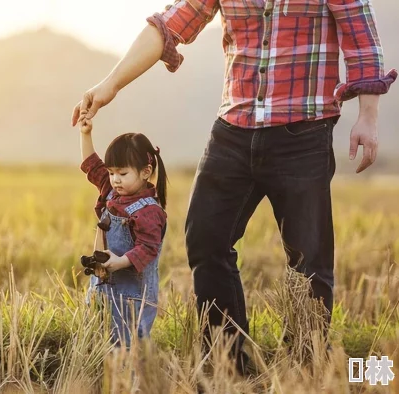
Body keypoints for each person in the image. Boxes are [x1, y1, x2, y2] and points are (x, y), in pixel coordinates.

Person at [70, 0, 396, 374]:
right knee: (206, 239)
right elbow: (167, 26)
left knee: (309, 258)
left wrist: (368, 116)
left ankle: (306, 370)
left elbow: (361, 38)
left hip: (304, 130)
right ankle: (227, 367)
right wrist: (109, 84)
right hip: (234, 129)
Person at [78, 112, 168, 347]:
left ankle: (130, 383)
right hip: (102, 286)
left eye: (122, 173)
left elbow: (148, 248)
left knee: (126, 346)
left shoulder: (149, 211)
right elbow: (92, 167)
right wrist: (85, 133)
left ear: (145, 172)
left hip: (131, 296)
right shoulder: (112, 192)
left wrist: (119, 262)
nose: (115, 179)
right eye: (112, 172)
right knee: (96, 340)